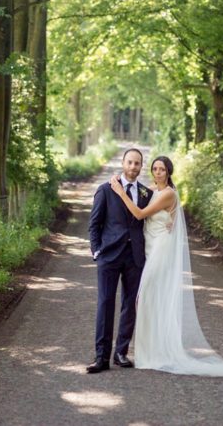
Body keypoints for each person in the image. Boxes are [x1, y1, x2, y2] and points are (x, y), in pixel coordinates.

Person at [107, 156, 223, 377]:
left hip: (160, 250)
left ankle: (158, 352)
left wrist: (119, 191)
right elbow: (145, 207)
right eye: (154, 169)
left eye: (162, 169)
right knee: (149, 299)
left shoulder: (169, 194)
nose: (157, 172)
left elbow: (140, 213)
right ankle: (149, 351)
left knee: (144, 296)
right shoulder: (151, 190)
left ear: (169, 171)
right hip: (148, 246)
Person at [86, 147, 152, 373]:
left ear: (141, 167)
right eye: (130, 162)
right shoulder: (105, 189)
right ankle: (101, 357)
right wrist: (96, 251)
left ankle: (121, 353)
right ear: (123, 164)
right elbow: (94, 225)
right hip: (109, 255)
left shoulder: (145, 193)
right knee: (105, 303)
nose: (133, 167)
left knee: (130, 305)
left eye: (137, 163)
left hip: (135, 257)